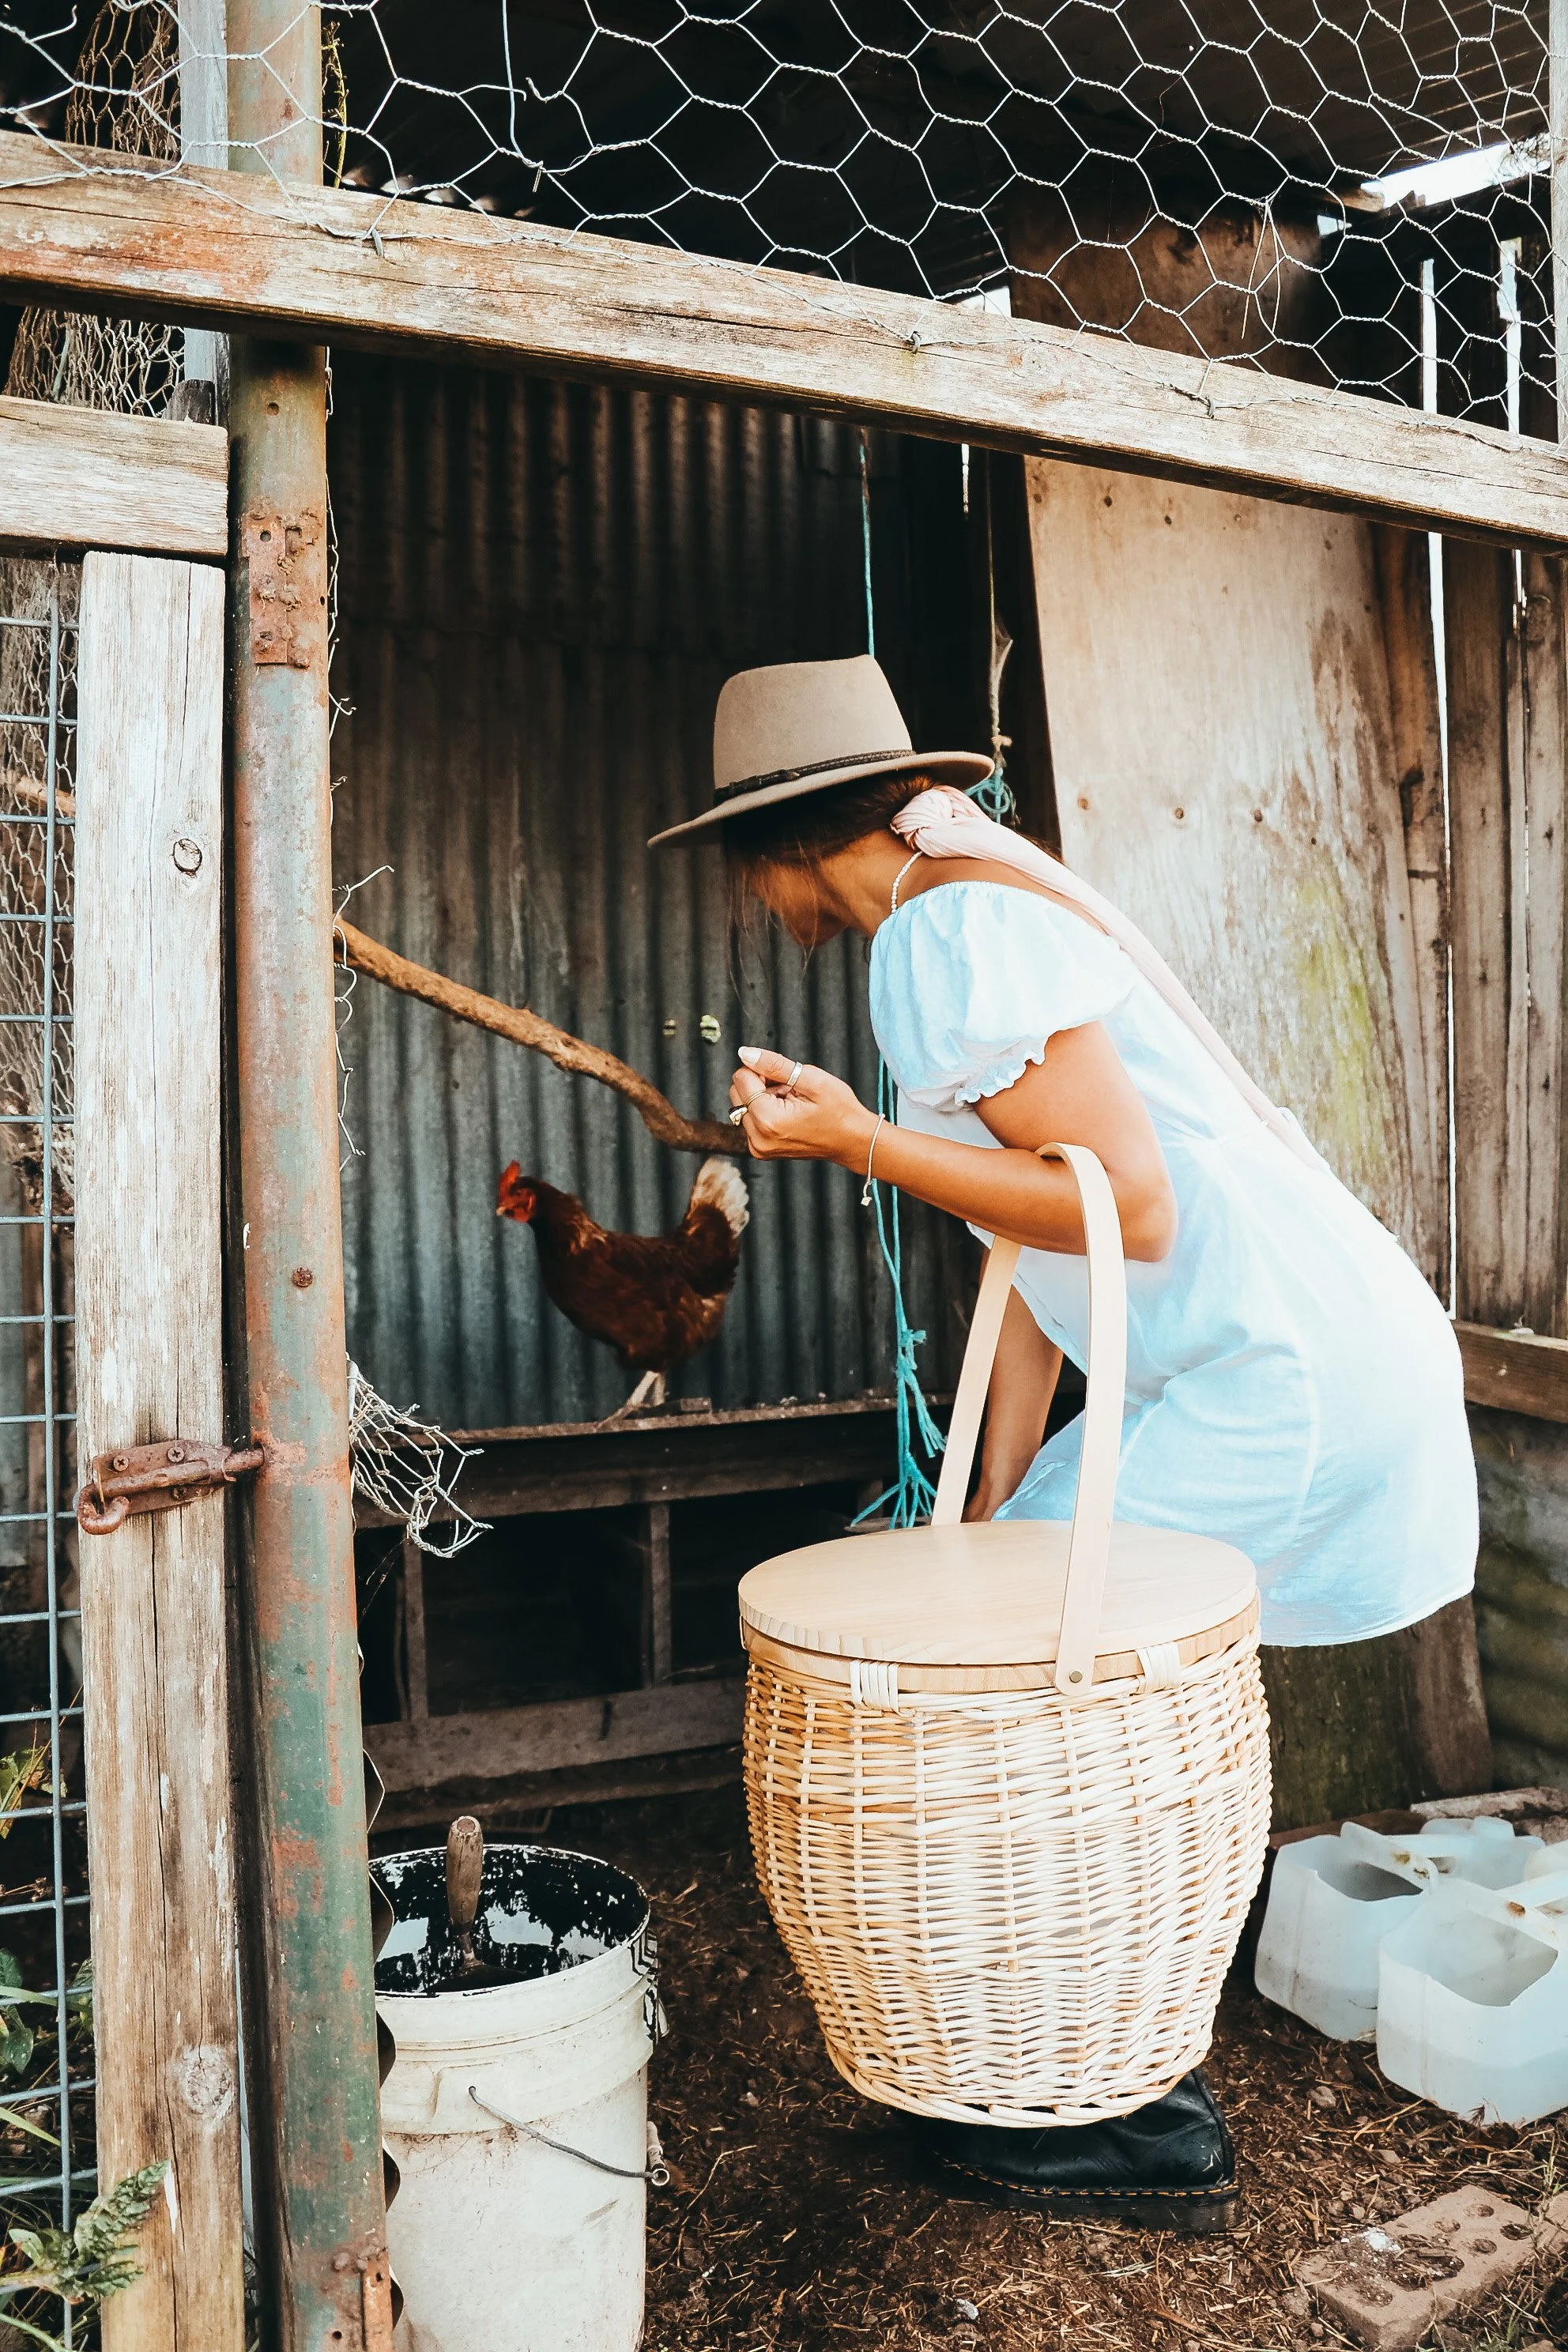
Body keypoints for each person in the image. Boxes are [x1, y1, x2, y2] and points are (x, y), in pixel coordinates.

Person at [650, 652, 1479, 2224]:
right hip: (1285, 1345)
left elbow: (1128, 1205)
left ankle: (1128, 2116)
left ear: (778, 845)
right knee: (1016, 1620)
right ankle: (1033, 2061)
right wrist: (978, 1507)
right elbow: (1035, 1253)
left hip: (1273, 1374)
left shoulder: (941, 931)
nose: (754, 908)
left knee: (1049, 1699)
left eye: (741, 876)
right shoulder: (971, 897)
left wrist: (855, 1140)